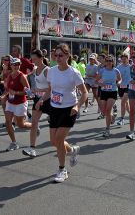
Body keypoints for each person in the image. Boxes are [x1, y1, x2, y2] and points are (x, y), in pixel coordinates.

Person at [37, 43, 88, 183]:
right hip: (54, 108)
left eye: (61, 55)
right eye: (56, 55)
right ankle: (72, 150)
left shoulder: (74, 73)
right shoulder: (52, 71)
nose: (58, 58)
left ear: (67, 56)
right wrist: (41, 100)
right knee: (54, 141)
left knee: (59, 140)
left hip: (69, 109)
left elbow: (84, 93)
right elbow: (50, 90)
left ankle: (62, 170)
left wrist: (78, 106)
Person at [23, 50, 50, 158]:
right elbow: (28, 76)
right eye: (32, 59)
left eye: (34, 59)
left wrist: (38, 89)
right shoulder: (35, 69)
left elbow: (51, 88)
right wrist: (32, 90)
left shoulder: (47, 70)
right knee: (34, 124)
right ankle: (32, 148)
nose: (33, 61)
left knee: (56, 129)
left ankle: (66, 147)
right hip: (38, 99)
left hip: (48, 100)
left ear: (41, 58)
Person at [3, 57, 32, 152]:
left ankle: (34, 127)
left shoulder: (22, 76)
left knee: (21, 125)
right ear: (10, 65)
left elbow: (29, 92)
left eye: (18, 64)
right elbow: (8, 90)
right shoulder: (9, 75)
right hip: (10, 102)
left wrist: (16, 92)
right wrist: (3, 96)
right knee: (8, 122)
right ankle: (14, 143)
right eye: (14, 64)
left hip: (20, 103)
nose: (16, 66)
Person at [97, 55, 121, 137]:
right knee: (104, 112)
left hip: (113, 92)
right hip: (104, 92)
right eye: (107, 60)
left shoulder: (116, 71)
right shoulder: (102, 71)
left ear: (113, 62)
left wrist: (118, 83)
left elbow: (120, 79)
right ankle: (113, 117)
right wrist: (101, 83)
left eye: (110, 61)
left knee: (108, 110)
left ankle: (107, 129)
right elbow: (97, 80)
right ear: (105, 62)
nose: (108, 62)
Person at [116, 53, 131, 126]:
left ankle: (122, 119)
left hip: (128, 86)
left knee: (123, 102)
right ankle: (131, 115)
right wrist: (117, 82)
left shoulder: (131, 67)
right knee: (126, 103)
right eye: (122, 59)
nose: (124, 60)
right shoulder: (118, 67)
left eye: (125, 58)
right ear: (121, 59)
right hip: (121, 86)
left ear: (128, 59)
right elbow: (116, 76)